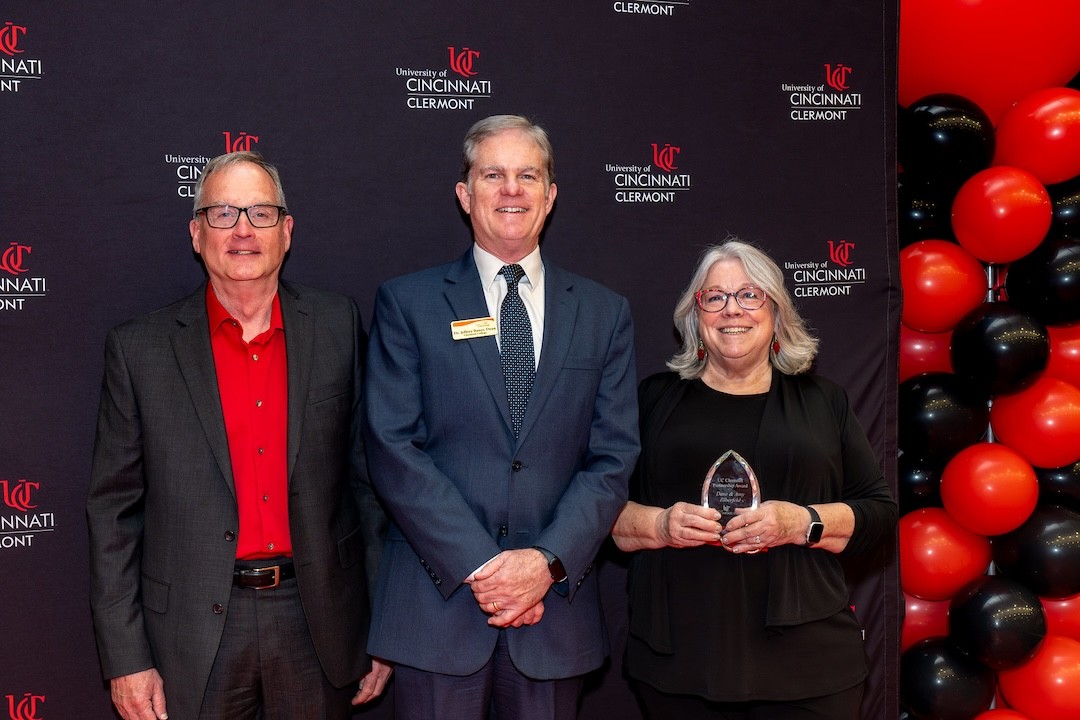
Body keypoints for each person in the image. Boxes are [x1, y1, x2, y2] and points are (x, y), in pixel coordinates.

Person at [86, 151, 390, 720]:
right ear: (196, 233)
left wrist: (383, 626)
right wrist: (127, 658)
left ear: (287, 232)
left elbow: (369, 487)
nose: (243, 230)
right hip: (191, 635)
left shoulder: (337, 326)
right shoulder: (139, 350)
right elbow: (113, 514)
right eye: (223, 213)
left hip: (319, 623)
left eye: (261, 213)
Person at [362, 114, 640, 720]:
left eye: (527, 175)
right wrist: (488, 569)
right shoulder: (407, 304)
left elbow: (613, 457)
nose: (511, 189)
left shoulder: (603, 313)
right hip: (438, 610)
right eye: (493, 174)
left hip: (552, 616)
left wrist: (542, 564)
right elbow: (392, 446)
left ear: (550, 195)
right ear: (465, 195)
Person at [611, 240, 897, 719]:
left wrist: (799, 521)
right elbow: (602, 513)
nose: (731, 310)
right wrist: (661, 526)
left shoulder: (825, 401)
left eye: (749, 295)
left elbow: (879, 515)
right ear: (695, 316)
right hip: (679, 667)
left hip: (809, 668)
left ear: (777, 312)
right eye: (715, 297)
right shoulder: (653, 401)